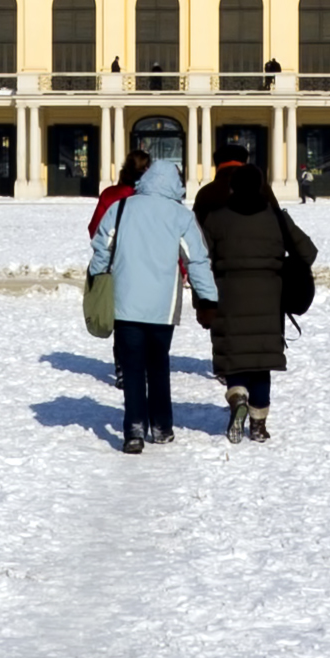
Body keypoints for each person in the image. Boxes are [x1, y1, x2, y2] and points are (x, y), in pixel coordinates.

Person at [84, 148, 207, 453]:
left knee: (133, 367)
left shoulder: (122, 207)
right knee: (159, 364)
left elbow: (102, 247)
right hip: (163, 307)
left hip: (126, 303)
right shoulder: (181, 215)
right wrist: (209, 297)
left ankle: (134, 429)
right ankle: (162, 426)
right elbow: (196, 259)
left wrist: (97, 275)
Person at [193, 137, 316, 442]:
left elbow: (200, 259)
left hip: (228, 294)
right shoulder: (275, 217)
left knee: (235, 355)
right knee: (262, 361)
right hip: (269, 296)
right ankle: (258, 424)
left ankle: (237, 397)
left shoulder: (216, 218)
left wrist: (203, 299)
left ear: (233, 188)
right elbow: (308, 252)